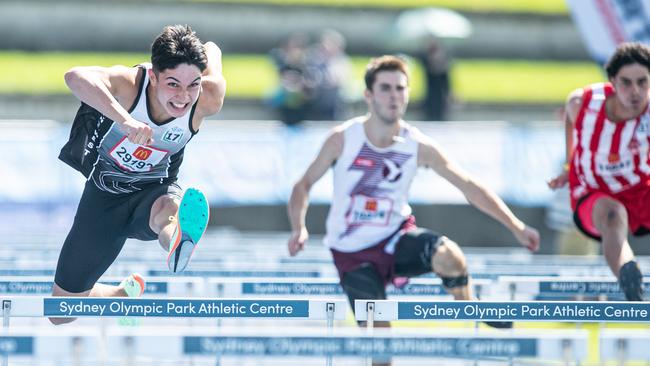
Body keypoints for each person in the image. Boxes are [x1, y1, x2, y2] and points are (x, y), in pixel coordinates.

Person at [287, 55, 540, 364]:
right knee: (380, 349)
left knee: (451, 257)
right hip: (351, 252)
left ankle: (469, 306)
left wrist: (516, 226)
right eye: (385, 88)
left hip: (394, 238)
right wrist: (299, 226)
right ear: (368, 95)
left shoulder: (417, 145)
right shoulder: (342, 139)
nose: (394, 95)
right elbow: (302, 186)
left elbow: (469, 185)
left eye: (400, 88)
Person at [53, 24, 226, 324]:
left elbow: (214, 49)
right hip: (103, 198)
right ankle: (120, 294)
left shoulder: (208, 97)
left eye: (192, 85)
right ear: (154, 75)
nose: (183, 98)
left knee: (169, 209)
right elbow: (74, 77)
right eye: (173, 84)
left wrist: (204, 54)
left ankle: (177, 240)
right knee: (62, 311)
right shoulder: (131, 84)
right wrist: (125, 121)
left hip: (154, 190)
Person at [548, 42, 650, 302]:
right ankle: (629, 275)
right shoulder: (582, 103)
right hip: (593, 190)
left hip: (639, 187)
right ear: (613, 82)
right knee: (613, 215)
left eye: (643, 82)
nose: (635, 92)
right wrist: (568, 166)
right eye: (626, 83)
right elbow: (570, 123)